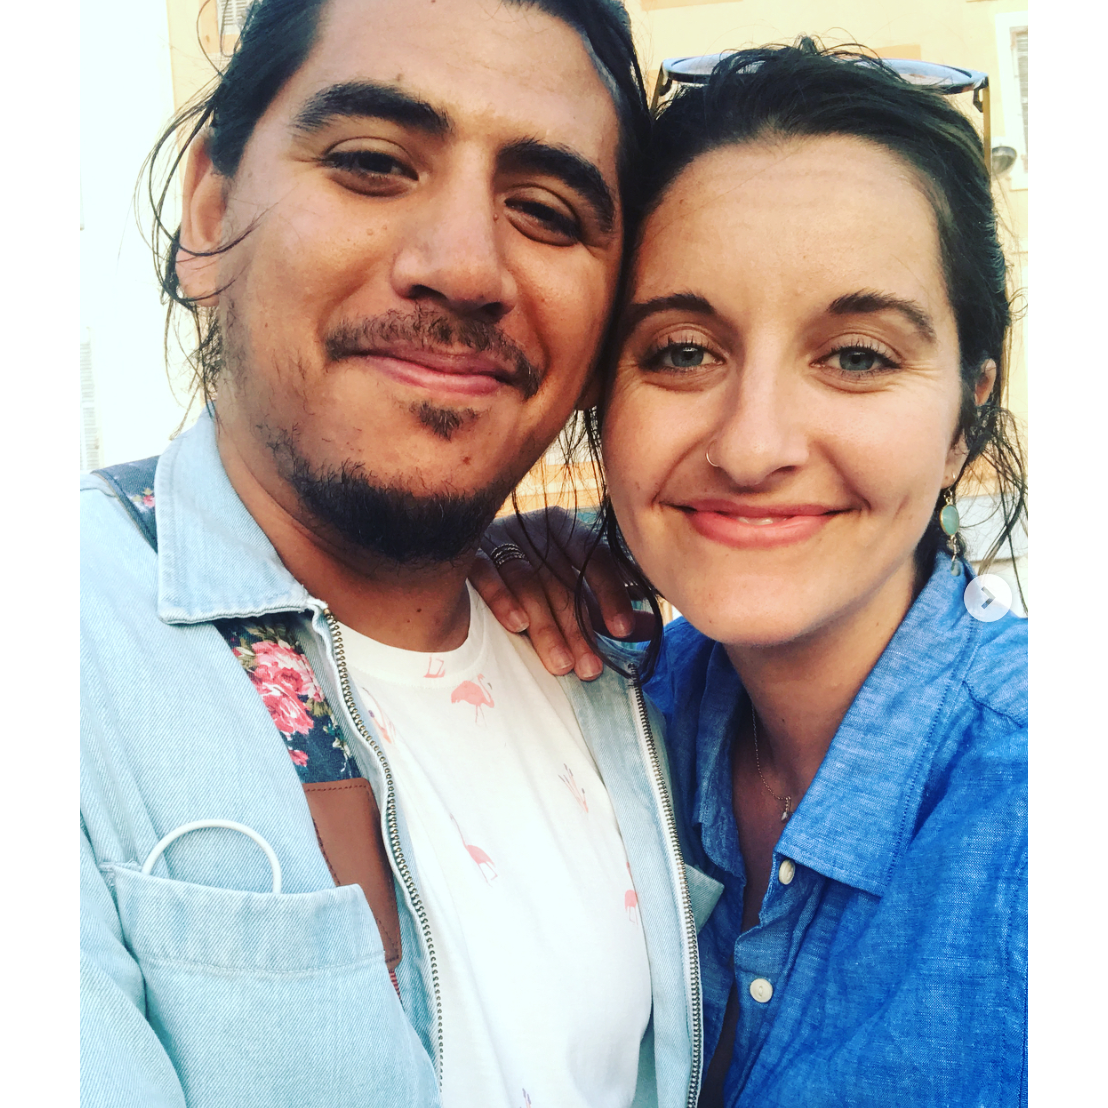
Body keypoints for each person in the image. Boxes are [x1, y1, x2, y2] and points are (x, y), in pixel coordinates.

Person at [80, 3, 721, 1107]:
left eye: (546, 211)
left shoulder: (625, 669)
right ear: (210, 212)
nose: (465, 268)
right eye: (373, 164)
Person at [476, 41, 1027, 1106]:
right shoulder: (595, 710)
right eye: (683, 351)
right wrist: (480, 573)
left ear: (966, 415)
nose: (751, 445)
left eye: (857, 356)